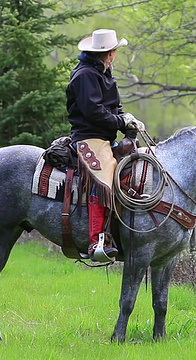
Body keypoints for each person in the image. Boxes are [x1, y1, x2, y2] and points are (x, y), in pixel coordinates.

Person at [66, 29, 145, 262]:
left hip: (105, 137)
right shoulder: (84, 76)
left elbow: (114, 108)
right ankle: (96, 241)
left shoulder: (104, 73)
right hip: (88, 138)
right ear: (109, 53)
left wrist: (127, 123)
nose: (116, 55)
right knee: (104, 177)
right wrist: (120, 121)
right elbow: (93, 112)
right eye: (115, 51)